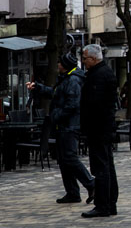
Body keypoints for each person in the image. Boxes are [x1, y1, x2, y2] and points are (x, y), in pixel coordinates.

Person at [27, 53, 95, 205]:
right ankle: (72, 192)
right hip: (64, 125)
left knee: (70, 157)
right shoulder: (67, 79)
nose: (57, 65)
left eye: (59, 63)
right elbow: (55, 93)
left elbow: (72, 104)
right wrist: (38, 87)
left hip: (69, 126)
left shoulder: (73, 80)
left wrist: (56, 115)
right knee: (64, 160)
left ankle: (91, 184)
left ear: (64, 66)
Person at [79, 44, 119, 218]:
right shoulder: (104, 73)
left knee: (101, 168)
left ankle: (103, 205)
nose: (83, 60)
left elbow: (95, 105)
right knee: (107, 166)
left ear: (94, 59)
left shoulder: (98, 76)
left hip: (99, 129)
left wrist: (88, 125)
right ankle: (110, 203)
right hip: (103, 128)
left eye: (85, 58)